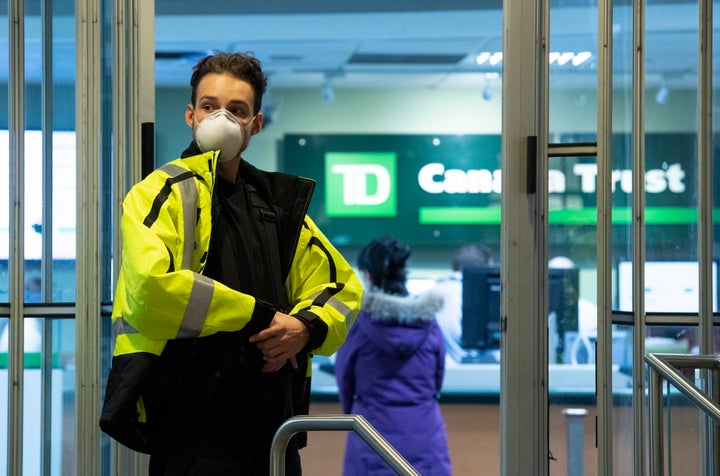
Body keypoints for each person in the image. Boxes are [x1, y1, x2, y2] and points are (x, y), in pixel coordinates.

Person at [100, 51, 363, 476]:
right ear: (191, 115)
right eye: (209, 106)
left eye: (236, 110)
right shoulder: (162, 192)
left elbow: (340, 287)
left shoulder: (275, 205)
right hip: (192, 426)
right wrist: (260, 317)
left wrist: (305, 328)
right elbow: (151, 288)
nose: (221, 118)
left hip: (272, 426)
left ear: (255, 125)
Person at [334, 236, 452, 476]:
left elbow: (344, 380)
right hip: (426, 433)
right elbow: (438, 378)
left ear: (368, 275)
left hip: (372, 435)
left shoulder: (359, 326)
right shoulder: (428, 324)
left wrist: (355, 411)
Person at [432, 243, 495, 363]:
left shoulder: (430, 295)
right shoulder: (482, 296)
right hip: (482, 376)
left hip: (441, 377)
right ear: (484, 269)